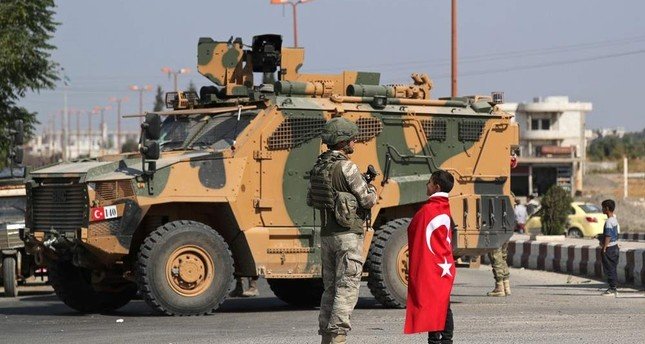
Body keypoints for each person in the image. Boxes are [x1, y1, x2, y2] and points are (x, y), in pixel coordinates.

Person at [307, 117, 378, 344]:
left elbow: (311, 199)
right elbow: (367, 200)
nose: (354, 142)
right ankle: (338, 337)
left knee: (330, 288)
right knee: (347, 287)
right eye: (352, 139)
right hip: (348, 236)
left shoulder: (319, 166)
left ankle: (326, 338)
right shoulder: (347, 166)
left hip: (327, 235)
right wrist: (372, 187)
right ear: (343, 141)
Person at [404, 170, 456, 344]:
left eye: (429, 182)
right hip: (444, 265)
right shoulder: (445, 208)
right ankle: (446, 340)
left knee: (433, 305)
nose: (427, 185)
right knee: (443, 305)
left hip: (433, 267)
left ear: (436, 187)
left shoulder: (427, 210)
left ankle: (435, 341)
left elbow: (413, 229)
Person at [600, 199, 620, 296]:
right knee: (613, 268)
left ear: (607, 208)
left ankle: (612, 289)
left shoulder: (608, 222)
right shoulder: (614, 220)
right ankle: (614, 287)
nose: (602, 209)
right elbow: (615, 233)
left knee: (609, 268)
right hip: (615, 247)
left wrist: (604, 247)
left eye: (603, 207)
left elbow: (608, 236)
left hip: (610, 249)